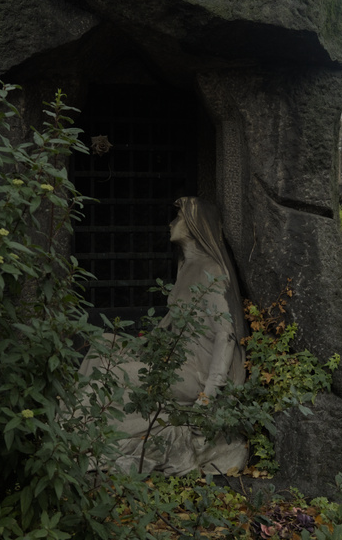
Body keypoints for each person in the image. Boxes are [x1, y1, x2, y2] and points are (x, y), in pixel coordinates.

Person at [79, 197, 248, 476]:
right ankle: (73, 428)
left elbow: (225, 336)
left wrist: (208, 395)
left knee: (115, 372)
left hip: (193, 373)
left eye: (179, 217)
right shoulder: (186, 268)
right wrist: (133, 346)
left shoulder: (212, 270)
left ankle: (82, 439)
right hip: (172, 360)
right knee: (103, 347)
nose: (172, 223)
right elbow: (169, 326)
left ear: (195, 226)